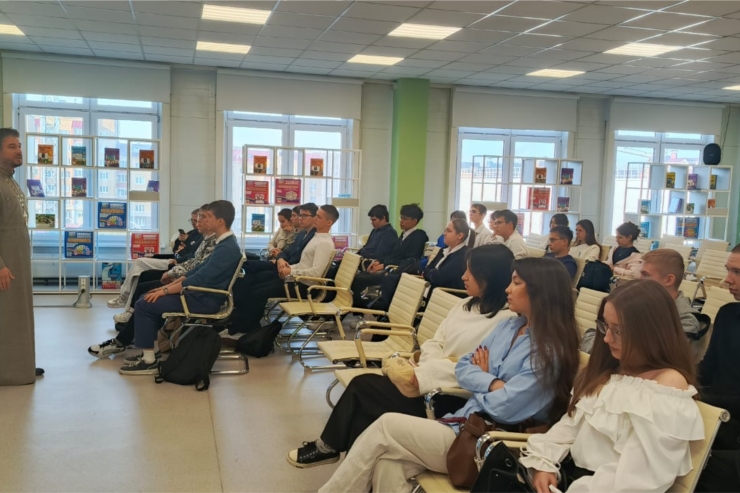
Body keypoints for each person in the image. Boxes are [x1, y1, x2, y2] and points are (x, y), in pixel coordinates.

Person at [317, 257, 581, 493]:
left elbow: (506, 409)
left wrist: (482, 380)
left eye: (516, 283)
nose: (507, 289)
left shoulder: (549, 352)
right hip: (466, 424)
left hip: (492, 442)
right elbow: (464, 367)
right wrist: (493, 383)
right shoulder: (510, 326)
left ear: (540, 291)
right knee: (389, 462)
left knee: (386, 426)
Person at [287, 244, 516, 468]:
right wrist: (430, 365)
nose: (463, 276)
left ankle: (329, 448)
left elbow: (474, 371)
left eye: (471, 272)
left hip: (449, 395)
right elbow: (435, 342)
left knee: (363, 389)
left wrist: (430, 371)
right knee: (365, 400)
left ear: (490, 276)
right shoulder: (464, 305)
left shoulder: (505, 322)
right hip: (424, 377)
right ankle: (348, 462)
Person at [520, 280, 704, 493]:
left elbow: (639, 478)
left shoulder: (666, 385)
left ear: (650, 333)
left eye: (618, 331)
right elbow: (570, 426)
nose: (606, 338)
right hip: (572, 478)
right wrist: (544, 463)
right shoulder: (611, 369)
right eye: (605, 326)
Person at [119, 200, 242, 375]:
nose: (203, 220)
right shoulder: (224, 243)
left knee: (144, 304)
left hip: (205, 299)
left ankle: (149, 361)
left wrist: (165, 291)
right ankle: (151, 353)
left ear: (220, 221)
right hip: (199, 295)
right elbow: (197, 270)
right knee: (146, 297)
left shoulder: (227, 247)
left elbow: (199, 278)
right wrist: (167, 287)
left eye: (208, 216)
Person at [87, 208, 217, 359]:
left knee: (148, 299)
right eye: (196, 219)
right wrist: (170, 281)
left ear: (218, 221)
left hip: (197, 293)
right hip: (189, 284)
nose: (198, 222)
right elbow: (194, 265)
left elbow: (197, 271)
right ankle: (131, 337)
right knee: (147, 291)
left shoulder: (220, 244)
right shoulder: (207, 239)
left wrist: (167, 287)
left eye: (202, 218)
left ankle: (138, 351)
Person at [232, 205, 338, 334]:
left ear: (329, 222)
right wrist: (289, 268)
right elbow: (303, 264)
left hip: (304, 287)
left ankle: (247, 329)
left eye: (319, 217)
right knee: (256, 288)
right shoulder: (316, 238)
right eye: (316, 215)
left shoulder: (324, 243)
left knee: (259, 293)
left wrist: (291, 271)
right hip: (296, 280)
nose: (315, 218)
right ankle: (244, 325)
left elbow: (316, 273)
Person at [0, 127, 43, 384]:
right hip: (5, 263)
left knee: (18, 314)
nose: (19, 151)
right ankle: (9, 372)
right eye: (11, 146)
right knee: (6, 315)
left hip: (16, 259)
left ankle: (21, 365)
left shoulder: (9, 180)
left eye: (19, 146)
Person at [697, 243, 740, 450]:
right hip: (713, 414)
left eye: (737, 272)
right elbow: (707, 369)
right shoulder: (727, 314)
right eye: (728, 270)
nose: (727, 279)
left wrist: (701, 398)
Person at [376, 218, 468, 310]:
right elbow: (428, 268)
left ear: (460, 235)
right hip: (430, 286)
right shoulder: (443, 250)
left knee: (398, 286)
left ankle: (385, 311)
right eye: (445, 230)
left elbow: (439, 277)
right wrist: (430, 273)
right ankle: (385, 310)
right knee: (393, 280)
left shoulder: (462, 255)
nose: (444, 233)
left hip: (442, 294)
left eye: (449, 231)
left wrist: (429, 273)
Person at [351, 203, 429, 307]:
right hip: (390, 267)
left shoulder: (418, 237)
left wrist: (384, 265)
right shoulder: (404, 234)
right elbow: (392, 255)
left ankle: (361, 307)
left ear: (414, 221)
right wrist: (379, 261)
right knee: (357, 277)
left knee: (359, 280)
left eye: (405, 218)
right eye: (401, 217)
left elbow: (409, 261)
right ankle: (359, 306)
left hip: (397, 271)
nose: (401, 221)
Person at [639, 249, 701, 357]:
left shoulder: (686, 321)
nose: (639, 279)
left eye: (646, 275)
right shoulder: (644, 305)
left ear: (669, 280)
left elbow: (660, 357)